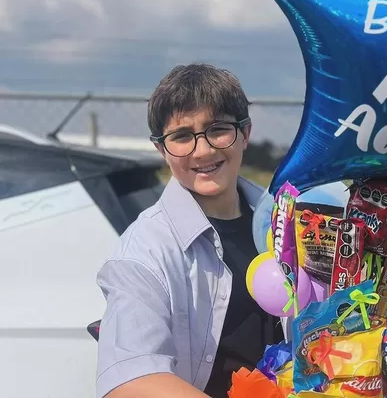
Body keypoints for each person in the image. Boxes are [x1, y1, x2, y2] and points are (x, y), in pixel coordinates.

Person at [95, 63, 285, 398]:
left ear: (245, 133)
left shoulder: (288, 222)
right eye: (182, 136)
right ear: (161, 149)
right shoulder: (146, 250)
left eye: (218, 129)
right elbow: (128, 381)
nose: (204, 150)